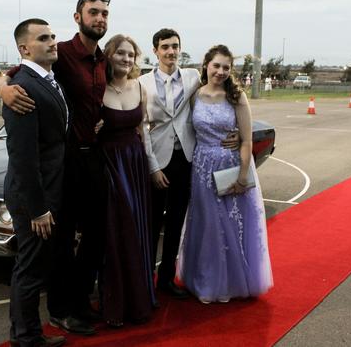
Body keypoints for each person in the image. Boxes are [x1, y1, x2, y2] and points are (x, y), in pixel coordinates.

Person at [0, 0, 112, 336]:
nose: (100, 18)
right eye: (93, 12)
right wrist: (2, 88)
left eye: (105, 13)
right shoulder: (60, 54)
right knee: (58, 246)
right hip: (66, 164)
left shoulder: (104, 59)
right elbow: (15, 72)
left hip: (94, 159)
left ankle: (79, 303)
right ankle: (57, 313)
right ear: (78, 18)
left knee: (94, 238)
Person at [178, 45, 273, 304]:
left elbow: (246, 140)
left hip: (230, 167)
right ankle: (206, 280)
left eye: (226, 67)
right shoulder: (195, 96)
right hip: (201, 167)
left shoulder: (236, 96)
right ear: (206, 64)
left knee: (230, 226)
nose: (220, 71)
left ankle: (231, 281)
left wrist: (243, 176)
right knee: (207, 226)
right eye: (216, 65)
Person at [4, 18, 68, 347]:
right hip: (34, 197)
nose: (53, 41)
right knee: (30, 269)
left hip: (49, 190)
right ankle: (27, 338)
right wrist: (38, 208)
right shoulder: (23, 88)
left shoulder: (46, 79)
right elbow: (23, 156)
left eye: (53, 36)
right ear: (24, 49)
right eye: (44, 38)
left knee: (36, 265)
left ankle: (26, 333)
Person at [98, 34, 155, 327]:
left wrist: (151, 167)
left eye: (131, 55)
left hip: (133, 164)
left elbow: (143, 131)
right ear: (109, 55)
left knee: (135, 227)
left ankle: (138, 300)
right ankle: (116, 304)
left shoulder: (141, 87)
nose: (126, 59)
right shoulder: (97, 88)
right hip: (108, 164)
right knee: (115, 231)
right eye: (120, 53)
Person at [138, 28, 200, 299]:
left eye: (175, 46)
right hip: (157, 161)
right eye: (165, 47)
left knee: (176, 224)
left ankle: (166, 280)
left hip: (185, 159)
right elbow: (141, 127)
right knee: (152, 226)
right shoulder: (142, 82)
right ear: (155, 50)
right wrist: (153, 167)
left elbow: (221, 91)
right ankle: (145, 281)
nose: (171, 51)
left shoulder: (193, 77)